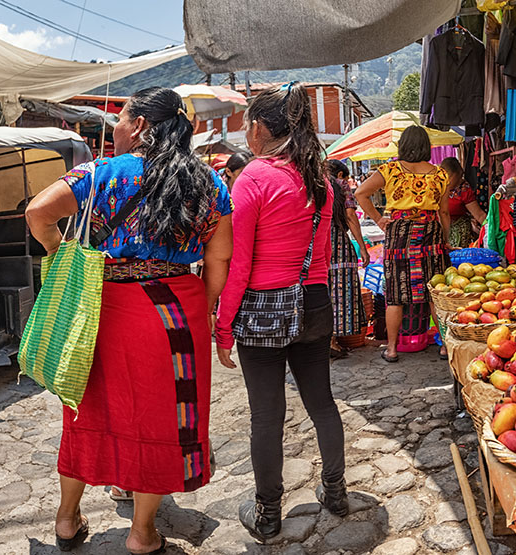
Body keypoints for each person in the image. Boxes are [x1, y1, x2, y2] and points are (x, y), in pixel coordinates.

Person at [26, 86, 233, 555]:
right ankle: (142, 533)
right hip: (176, 312)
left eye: (119, 118)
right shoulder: (209, 183)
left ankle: (65, 519)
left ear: (138, 125)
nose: (114, 127)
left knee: (86, 411)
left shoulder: (101, 173)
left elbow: (37, 211)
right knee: (160, 420)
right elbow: (219, 262)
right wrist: (204, 303)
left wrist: (59, 251)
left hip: (102, 309)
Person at [215, 82, 347, 541]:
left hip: (263, 308)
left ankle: (269, 515)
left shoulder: (253, 177)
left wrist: (223, 324)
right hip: (313, 302)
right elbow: (324, 256)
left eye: (247, 124)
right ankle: (336, 490)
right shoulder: (321, 180)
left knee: (266, 417)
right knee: (322, 404)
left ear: (260, 128)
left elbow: (241, 263)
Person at [355, 125, 450, 363]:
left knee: (396, 293)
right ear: (426, 147)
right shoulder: (440, 174)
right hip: (430, 233)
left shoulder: (391, 170)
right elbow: (445, 212)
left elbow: (360, 193)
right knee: (434, 292)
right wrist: (445, 240)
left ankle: (393, 349)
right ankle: (445, 346)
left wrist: (378, 219)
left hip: (400, 234)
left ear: (403, 146)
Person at [327, 159, 369, 359]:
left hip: (314, 244)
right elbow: (351, 216)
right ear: (341, 175)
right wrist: (362, 247)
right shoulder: (340, 185)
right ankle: (332, 339)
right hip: (337, 243)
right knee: (339, 290)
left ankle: (324, 339)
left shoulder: (311, 183)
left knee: (321, 289)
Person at [440, 157, 487, 248]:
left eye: (459, 179)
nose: (458, 182)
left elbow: (479, 215)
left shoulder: (463, 188)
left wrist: (491, 228)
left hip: (459, 229)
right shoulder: (433, 186)